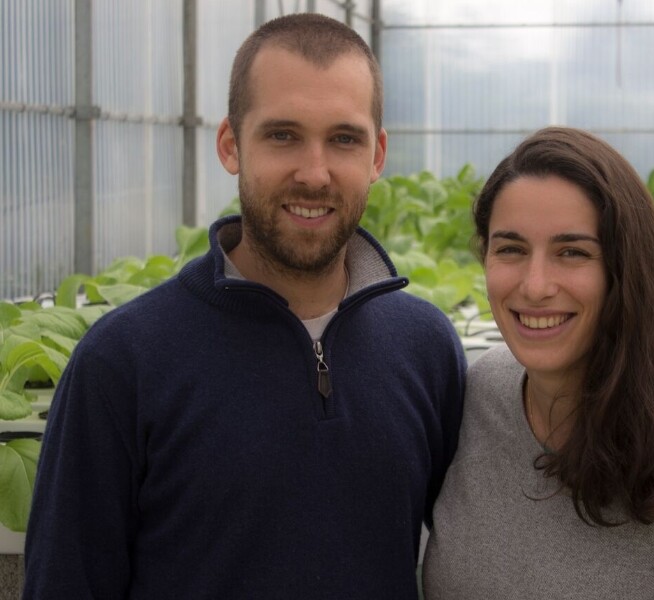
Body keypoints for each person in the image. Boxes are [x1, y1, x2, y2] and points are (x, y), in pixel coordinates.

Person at [23, 13, 465, 599]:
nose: (315, 173)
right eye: (283, 135)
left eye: (344, 138)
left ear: (377, 155)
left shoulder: (426, 348)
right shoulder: (123, 361)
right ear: (231, 145)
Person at [422, 127, 654, 599]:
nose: (535, 285)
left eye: (573, 252)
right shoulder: (477, 395)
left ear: (625, 270)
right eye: (511, 249)